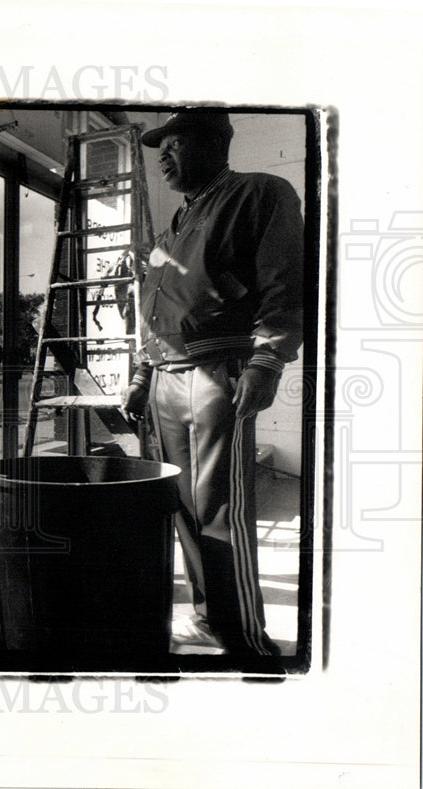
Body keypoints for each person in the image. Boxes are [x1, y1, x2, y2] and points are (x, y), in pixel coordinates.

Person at [121, 111, 304, 657]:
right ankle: (210, 620)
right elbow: (152, 310)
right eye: (160, 147)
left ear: (213, 143)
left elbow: (285, 282)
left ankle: (246, 643)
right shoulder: (171, 228)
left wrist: (267, 361)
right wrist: (140, 375)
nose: (163, 156)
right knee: (182, 507)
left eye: (174, 144)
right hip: (163, 380)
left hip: (215, 373)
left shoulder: (258, 193)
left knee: (219, 511)